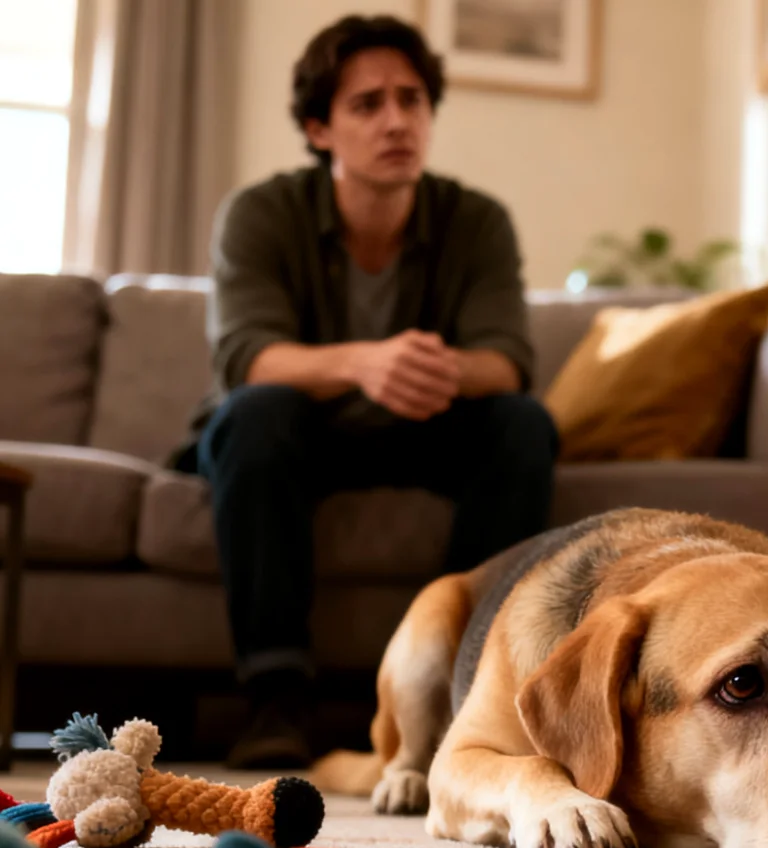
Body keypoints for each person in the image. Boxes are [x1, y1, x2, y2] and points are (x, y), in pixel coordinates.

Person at [171, 15, 557, 769]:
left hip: (426, 428)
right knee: (255, 415)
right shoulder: (260, 213)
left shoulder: (476, 220)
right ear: (319, 129)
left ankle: (470, 692)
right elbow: (248, 357)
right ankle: (275, 700)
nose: (397, 121)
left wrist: (433, 367)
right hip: (299, 435)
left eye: (412, 100)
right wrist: (363, 363)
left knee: (521, 425)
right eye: (368, 104)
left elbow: (507, 361)